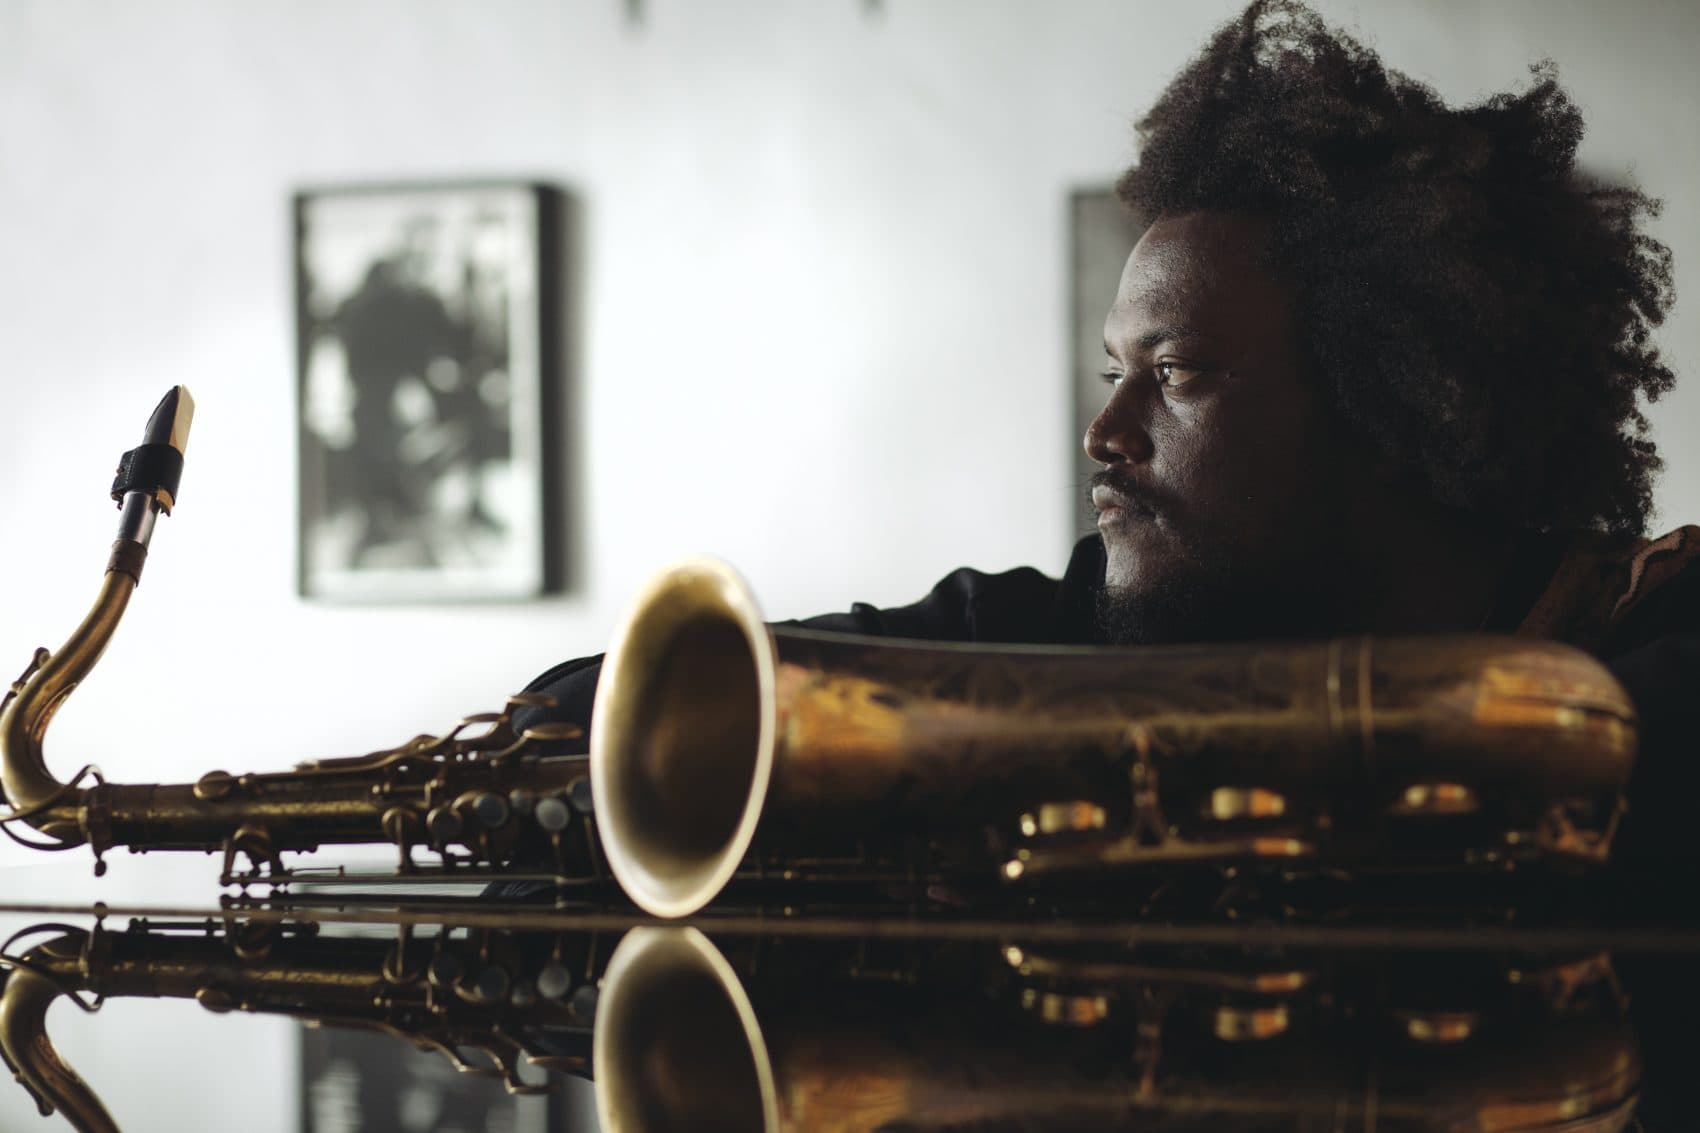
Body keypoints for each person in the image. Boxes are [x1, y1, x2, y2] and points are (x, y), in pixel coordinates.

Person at [523, 0, 1696, 869]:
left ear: (1394, 404)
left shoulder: (1660, 647)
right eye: (1110, 372)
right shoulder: (1069, 626)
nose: (1102, 431)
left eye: (1172, 373)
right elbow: (585, 712)